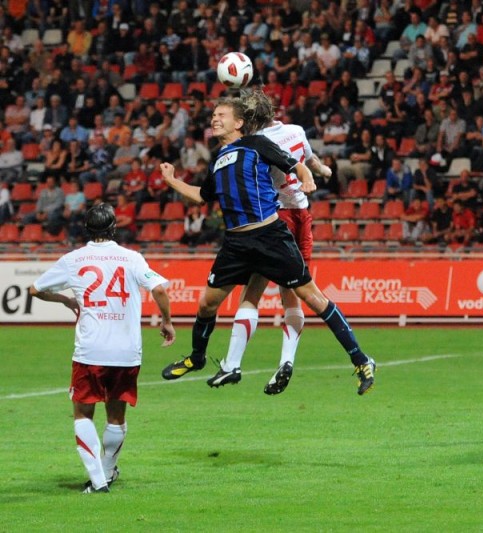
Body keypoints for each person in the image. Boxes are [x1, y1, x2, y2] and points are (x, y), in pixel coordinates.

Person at [159, 90, 376, 395]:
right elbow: (202, 195)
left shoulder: (257, 144)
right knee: (207, 303)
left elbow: (295, 165)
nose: (214, 120)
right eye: (213, 116)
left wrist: (307, 177)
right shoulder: (218, 158)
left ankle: (362, 360)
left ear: (239, 122)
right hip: (235, 244)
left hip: (270, 236)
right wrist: (172, 181)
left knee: (312, 297)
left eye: (221, 115)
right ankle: (197, 358)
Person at [28, 203, 175, 493]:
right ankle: (107, 472)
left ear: (86, 229)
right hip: (126, 352)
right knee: (116, 417)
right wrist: (167, 322)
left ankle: (98, 481)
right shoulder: (131, 258)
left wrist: (66, 300)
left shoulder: (74, 259)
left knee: (83, 414)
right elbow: (158, 289)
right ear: (114, 228)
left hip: (90, 350)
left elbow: (35, 289)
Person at [216, 95, 335, 395]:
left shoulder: (254, 143)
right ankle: (287, 359)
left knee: (252, 292)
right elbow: (309, 160)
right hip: (302, 213)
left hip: (272, 218)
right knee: (295, 291)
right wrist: (322, 171)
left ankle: (232, 364)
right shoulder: (296, 130)